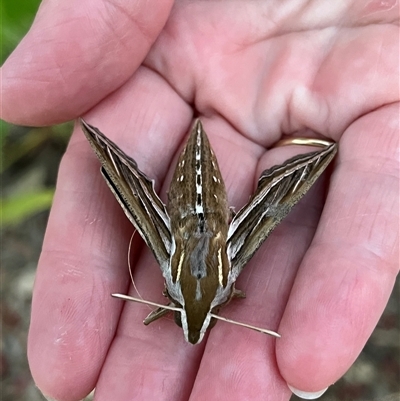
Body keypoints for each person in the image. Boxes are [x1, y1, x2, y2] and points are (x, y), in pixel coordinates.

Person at [1, 2, 398, 400]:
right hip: (202, 191)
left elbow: (140, 199)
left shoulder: (206, 260)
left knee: (145, 195)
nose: (197, 328)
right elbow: (268, 207)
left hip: (195, 194)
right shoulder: (216, 259)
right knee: (273, 205)